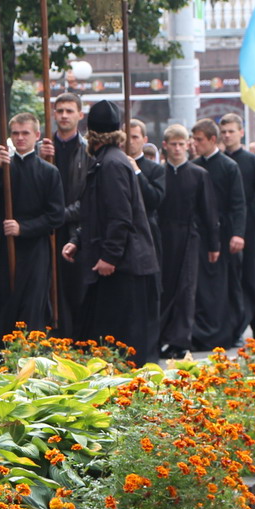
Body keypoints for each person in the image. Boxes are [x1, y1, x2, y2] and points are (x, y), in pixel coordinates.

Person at [62, 101, 160, 363]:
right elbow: (97, 212)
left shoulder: (111, 164)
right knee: (102, 338)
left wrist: (110, 257)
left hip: (123, 266)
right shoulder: (108, 160)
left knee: (122, 343)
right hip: (118, 263)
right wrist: (78, 240)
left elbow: (120, 217)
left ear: (90, 132)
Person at [0, 112, 65, 363]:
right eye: (15, 133)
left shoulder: (49, 172)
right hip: (5, 245)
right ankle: (3, 358)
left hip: (35, 248)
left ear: (36, 135)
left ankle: (30, 359)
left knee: (31, 304)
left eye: (25, 133)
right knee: (1, 298)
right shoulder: (2, 168)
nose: (20, 138)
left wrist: (23, 227)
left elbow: (56, 215)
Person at [158, 125, 218, 358]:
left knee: (186, 289)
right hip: (163, 236)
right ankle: (162, 337)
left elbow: (208, 211)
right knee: (164, 288)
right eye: (173, 144)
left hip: (189, 236)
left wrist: (213, 244)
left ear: (188, 145)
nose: (177, 149)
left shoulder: (199, 174)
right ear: (165, 146)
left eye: (181, 144)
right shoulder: (159, 173)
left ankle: (180, 340)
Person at [220, 113, 255, 339]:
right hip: (225, 226)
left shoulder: (253, 161)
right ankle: (233, 328)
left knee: (251, 278)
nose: (227, 136)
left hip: (250, 225)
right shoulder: (219, 161)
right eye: (224, 132)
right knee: (229, 280)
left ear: (241, 133)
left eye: (231, 131)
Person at [191, 118, 245, 350]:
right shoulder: (194, 166)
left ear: (212, 140)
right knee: (204, 286)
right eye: (193, 139)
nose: (195, 144)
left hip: (225, 233)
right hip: (201, 233)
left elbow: (238, 203)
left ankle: (234, 331)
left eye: (199, 140)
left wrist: (238, 234)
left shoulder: (229, 166)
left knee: (229, 284)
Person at [40, 93, 89, 336]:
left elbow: (89, 197)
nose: (64, 116)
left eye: (69, 111)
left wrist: (61, 215)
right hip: (47, 230)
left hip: (75, 230)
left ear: (80, 114)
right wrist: (41, 160)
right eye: (59, 111)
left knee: (76, 289)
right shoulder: (44, 149)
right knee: (49, 289)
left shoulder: (88, 150)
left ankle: (78, 338)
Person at [126, 118, 166, 257]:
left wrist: (137, 172)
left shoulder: (156, 169)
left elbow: (155, 199)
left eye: (135, 137)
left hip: (147, 231)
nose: (130, 141)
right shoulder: (115, 164)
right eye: (127, 137)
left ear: (144, 140)